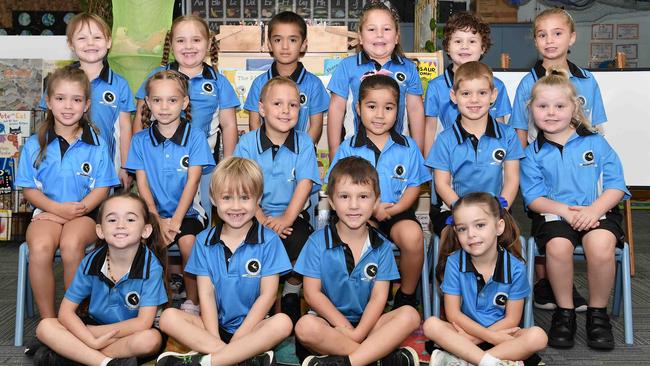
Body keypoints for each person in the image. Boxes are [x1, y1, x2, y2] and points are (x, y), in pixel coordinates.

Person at [520, 69, 629, 350]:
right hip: (555, 215)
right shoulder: (532, 153)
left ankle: (597, 314)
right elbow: (533, 198)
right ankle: (564, 312)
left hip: (598, 212)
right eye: (543, 106)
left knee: (602, 246)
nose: (551, 113)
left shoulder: (596, 142)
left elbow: (616, 186)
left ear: (574, 107)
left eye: (560, 106)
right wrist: (566, 212)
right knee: (557, 246)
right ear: (531, 109)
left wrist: (593, 211)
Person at [156, 157, 293, 366]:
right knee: (168, 318)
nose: (236, 207)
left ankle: (209, 360)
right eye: (227, 198)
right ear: (213, 198)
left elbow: (268, 296)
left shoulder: (270, 241)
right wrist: (215, 339)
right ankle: (236, 358)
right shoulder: (203, 241)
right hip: (213, 329)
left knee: (283, 323)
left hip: (252, 329)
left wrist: (239, 338)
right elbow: (206, 293)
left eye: (245, 197)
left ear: (258, 200)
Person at [511, 8, 605, 312]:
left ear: (572, 38)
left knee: (579, 228)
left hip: (581, 176)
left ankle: (558, 285)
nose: (550, 41)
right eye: (542, 34)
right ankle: (546, 282)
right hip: (545, 176)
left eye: (557, 33)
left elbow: (597, 132)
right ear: (535, 41)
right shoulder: (528, 83)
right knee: (550, 232)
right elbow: (520, 135)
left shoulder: (587, 80)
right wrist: (531, 177)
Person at [295, 156, 420, 366]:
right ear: (332, 202)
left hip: (368, 325)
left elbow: (379, 298)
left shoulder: (381, 246)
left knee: (410, 315)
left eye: (363, 196)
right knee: (305, 327)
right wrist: (347, 330)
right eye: (344, 196)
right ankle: (377, 358)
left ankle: (347, 361)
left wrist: (359, 332)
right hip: (329, 325)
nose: (354, 205)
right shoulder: (316, 242)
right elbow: (311, 294)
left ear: (376, 201)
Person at [16, 66, 119, 321]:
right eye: (60, 98)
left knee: (72, 245)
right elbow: (29, 188)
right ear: (48, 102)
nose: (68, 106)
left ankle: (74, 319)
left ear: (86, 105)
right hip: (46, 213)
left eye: (76, 99)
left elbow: (102, 188)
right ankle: (50, 323)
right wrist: (58, 211)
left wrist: (73, 212)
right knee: (39, 248)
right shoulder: (34, 144)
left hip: (85, 214)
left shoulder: (96, 144)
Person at [328, 74, 428, 309]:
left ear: (398, 110)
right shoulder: (348, 147)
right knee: (355, 240)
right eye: (372, 107)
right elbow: (335, 186)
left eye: (389, 108)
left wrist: (396, 209)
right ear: (359, 109)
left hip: (396, 211)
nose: (380, 115)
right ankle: (361, 301)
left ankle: (406, 295)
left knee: (414, 237)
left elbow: (415, 184)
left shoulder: (408, 146)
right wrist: (371, 208)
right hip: (355, 214)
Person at [33, 193, 169, 366]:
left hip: (129, 332)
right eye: (112, 220)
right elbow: (65, 312)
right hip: (94, 326)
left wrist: (92, 334)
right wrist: (90, 340)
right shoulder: (90, 262)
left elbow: (142, 323)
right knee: (45, 326)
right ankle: (106, 363)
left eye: (130, 220)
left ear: (146, 230)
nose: (120, 225)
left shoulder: (152, 267)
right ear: (100, 231)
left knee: (150, 340)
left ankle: (73, 355)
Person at [126, 70, 215, 315]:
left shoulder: (195, 137)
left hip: (187, 214)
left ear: (184, 103)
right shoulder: (140, 140)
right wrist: (155, 218)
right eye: (157, 100)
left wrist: (174, 222)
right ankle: (154, 302)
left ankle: (192, 303)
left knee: (189, 244)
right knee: (147, 242)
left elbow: (193, 181)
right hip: (152, 213)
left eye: (172, 100)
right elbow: (141, 185)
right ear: (148, 103)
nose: (164, 107)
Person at [134, 14, 239, 220]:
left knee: (200, 224)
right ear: (171, 45)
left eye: (196, 40)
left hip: (205, 168)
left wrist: (227, 166)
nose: (188, 46)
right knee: (154, 224)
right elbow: (140, 121)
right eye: (181, 40)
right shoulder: (157, 77)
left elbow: (229, 126)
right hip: (158, 167)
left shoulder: (219, 82)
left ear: (209, 43)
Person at [423, 192, 547, 366]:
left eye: (480, 225)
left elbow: (511, 320)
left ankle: (466, 361)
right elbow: (453, 314)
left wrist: (477, 339)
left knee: (538, 336)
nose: (471, 234)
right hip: (466, 334)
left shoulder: (516, 268)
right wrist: (489, 336)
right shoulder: (453, 262)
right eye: (462, 229)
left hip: (493, 337)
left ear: (499, 227)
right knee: (431, 325)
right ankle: (488, 362)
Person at [235, 76, 321, 325]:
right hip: (251, 215)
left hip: (291, 215)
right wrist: (260, 217)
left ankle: (292, 291)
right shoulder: (247, 143)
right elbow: (241, 185)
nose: (286, 111)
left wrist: (285, 219)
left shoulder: (304, 142)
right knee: (250, 244)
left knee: (303, 240)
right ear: (261, 108)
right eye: (278, 104)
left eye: (293, 105)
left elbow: (305, 184)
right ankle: (260, 299)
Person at [39, 13, 135, 190]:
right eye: (82, 38)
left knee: (103, 215)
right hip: (64, 166)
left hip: (105, 171)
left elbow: (125, 128)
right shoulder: (58, 81)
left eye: (97, 37)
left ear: (108, 42)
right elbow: (48, 123)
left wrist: (126, 167)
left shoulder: (119, 84)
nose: (90, 43)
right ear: (71, 45)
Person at [425, 62, 523, 237]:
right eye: (466, 93)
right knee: (453, 238)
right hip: (452, 207)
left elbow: (512, 180)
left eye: (482, 93)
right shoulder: (445, 139)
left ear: (493, 95)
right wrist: (464, 212)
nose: (474, 100)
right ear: (454, 96)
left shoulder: (508, 135)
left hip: (496, 208)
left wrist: (499, 210)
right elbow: (441, 184)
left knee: (509, 237)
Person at [327, 1, 425, 160]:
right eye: (372, 29)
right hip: (355, 153)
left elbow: (416, 111)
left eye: (386, 29)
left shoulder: (409, 68)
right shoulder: (347, 66)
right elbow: (336, 109)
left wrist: (418, 154)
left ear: (397, 36)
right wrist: (334, 151)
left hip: (399, 152)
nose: (380, 34)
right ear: (360, 36)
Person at [423, 11, 511, 158]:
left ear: (483, 47)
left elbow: (501, 127)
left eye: (472, 41)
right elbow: (430, 129)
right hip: (449, 160)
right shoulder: (436, 87)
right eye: (458, 41)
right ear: (447, 47)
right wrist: (428, 169)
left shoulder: (497, 86)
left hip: (488, 162)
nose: (465, 46)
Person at [244, 11, 329, 144]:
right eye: (278, 40)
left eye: (293, 40)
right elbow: (254, 123)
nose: (285, 46)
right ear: (270, 44)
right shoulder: (259, 83)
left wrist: (302, 152)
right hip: (265, 158)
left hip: (300, 158)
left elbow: (316, 127)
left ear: (303, 44)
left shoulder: (314, 84)